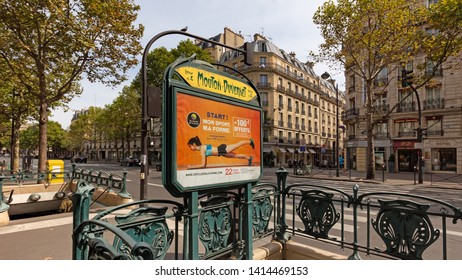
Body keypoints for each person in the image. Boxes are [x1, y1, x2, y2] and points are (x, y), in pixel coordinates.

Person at [187, 136, 254, 169]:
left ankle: (250, 141)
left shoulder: (202, 149)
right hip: (221, 153)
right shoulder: (202, 149)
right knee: (236, 156)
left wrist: (191, 167)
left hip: (222, 149)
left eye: (190, 146)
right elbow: (204, 165)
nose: (190, 148)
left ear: (194, 144)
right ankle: (249, 158)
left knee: (237, 145)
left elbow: (202, 165)